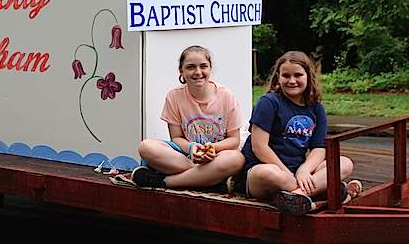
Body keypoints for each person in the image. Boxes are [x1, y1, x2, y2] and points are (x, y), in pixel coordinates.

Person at [240, 50, 355, 215]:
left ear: (308, 76)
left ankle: (296, 196)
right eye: (286, 75)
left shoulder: (316, 107)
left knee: (344, 163)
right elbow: (259, 147)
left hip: (298, 169)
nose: (292, 81)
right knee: (271, 174)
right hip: (263, 170)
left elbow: (318, 148)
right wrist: (288, 174)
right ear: (278, 77)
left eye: (298, 75)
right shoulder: (269, 102)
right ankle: (322, 189)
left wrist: (304, 171)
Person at [133, 45, 245, 189]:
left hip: (217, 156)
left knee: (237, 160)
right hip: (185, 154)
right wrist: (192, 147)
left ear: (210, 68)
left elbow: (234, 140)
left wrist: (212, 148)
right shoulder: (174, 96)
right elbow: (176, 138)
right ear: (182, 71)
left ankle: (164, 181)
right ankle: (210, 179)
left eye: (203, 66)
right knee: (146, 147)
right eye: (191, 67)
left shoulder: (226, 95)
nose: (198, 72)